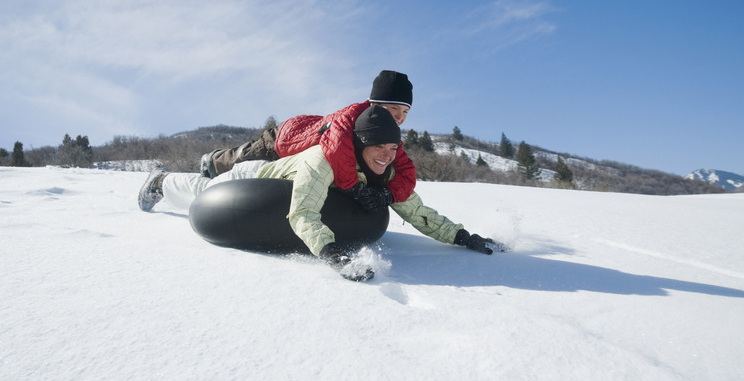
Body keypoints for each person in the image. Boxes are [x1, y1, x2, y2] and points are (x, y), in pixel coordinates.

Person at [138, 106, 505, 282]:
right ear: (360, 144)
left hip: (285, 187)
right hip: (255, 179)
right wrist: (332, 253)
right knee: (204, 191)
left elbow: (416, 209)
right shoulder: (323, 161)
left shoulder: (383, 170)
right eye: (378, 147)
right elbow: (302, 213)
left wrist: (462, 236)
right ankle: (161, 181)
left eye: (393, 149)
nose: (386, 155)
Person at [199, 70, 417, 212]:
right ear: (374, 105)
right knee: (239, 159)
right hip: (284, 141)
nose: (400, 116)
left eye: (405, 111)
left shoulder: (387, 136)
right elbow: (337, 150)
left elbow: (407, 172)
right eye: (394, 108)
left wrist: (389, 194)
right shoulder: (351, 118)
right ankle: (212, 160)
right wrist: (353, 188)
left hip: (297, 156)